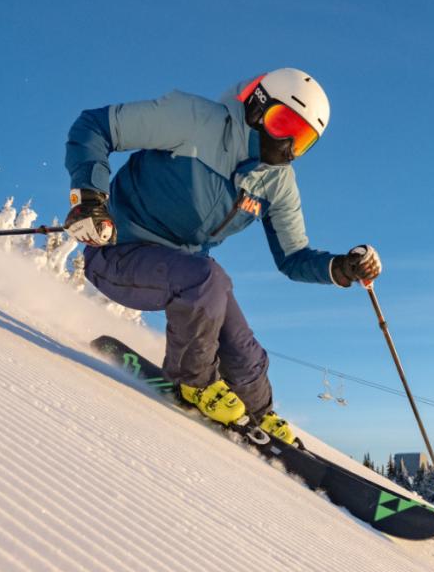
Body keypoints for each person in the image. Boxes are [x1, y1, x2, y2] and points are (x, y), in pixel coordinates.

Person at [64, 68, 381, 446]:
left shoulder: (277, 184)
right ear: (257, 107)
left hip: (185, 273)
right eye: (284, 125)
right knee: (207, 278)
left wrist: (340, 267)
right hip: (117, 250)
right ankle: (193, 382)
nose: (289, 147)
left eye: (303, 140)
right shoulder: (194, 120)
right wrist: (89, 199)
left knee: (243, 348)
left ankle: (260, 414)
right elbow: (96, 126)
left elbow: (293, 256)